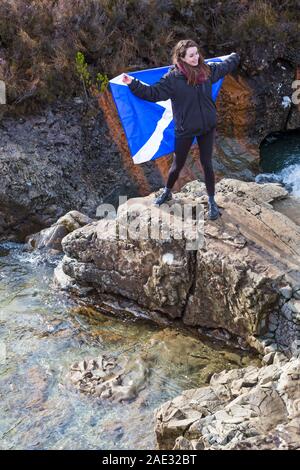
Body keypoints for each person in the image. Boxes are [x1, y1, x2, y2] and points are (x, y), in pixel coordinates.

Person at [122, 39, 240, 220]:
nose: (196, 58)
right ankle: (167, 191)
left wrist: (234, 56)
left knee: (207, 164)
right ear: (181, 58)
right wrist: (132, 83)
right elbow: (153, 94)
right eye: (191, 55)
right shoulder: (173, 79)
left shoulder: (207, 71)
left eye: (197, 53)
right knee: (177, 165)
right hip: (185, 129)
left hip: (207, 127)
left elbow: (224, 66)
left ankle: (211, 201)